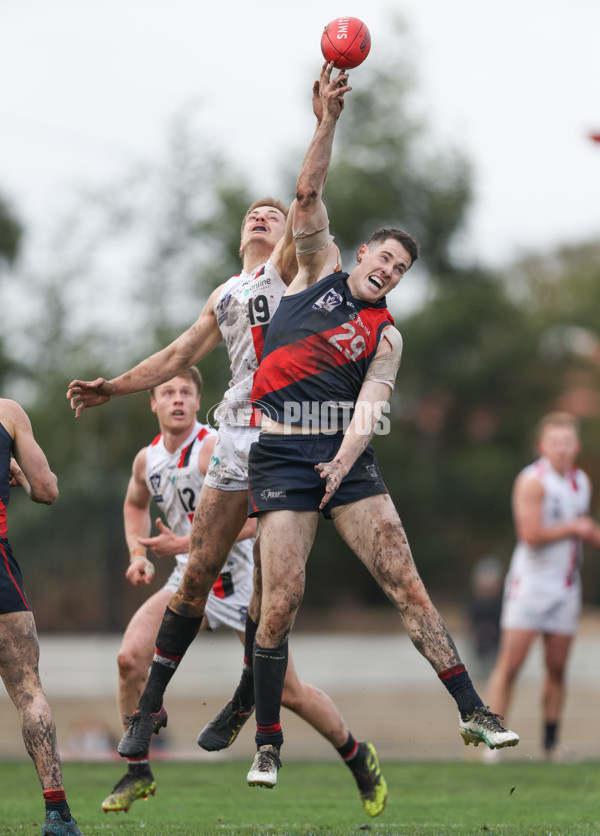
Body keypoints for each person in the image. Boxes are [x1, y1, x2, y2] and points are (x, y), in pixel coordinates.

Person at [68, 67, 389, 817]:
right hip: (243, 430)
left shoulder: (289, 273)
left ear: (287, 238)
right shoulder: (226, 292)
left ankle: (353, 753)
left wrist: (322, 123)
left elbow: (305, 191)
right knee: (186, 586)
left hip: (286, 431)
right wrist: (114, 386)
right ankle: (140, 749)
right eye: (253, 213)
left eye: (272, 215)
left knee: (282, 669)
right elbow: (177, 355)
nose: (262, 217)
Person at [236, 59, 520, 791]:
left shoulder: (386, 335)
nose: (389, 272)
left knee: (407, 581)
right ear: (361, 253)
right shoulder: (314, 269)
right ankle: (268, 743)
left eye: (400, 271)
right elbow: (308, 191)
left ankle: (473, 709)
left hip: (344, 461)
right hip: (280, 457)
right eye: (385, 259)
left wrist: (344, 460)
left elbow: (370, 408)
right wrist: (327, 119)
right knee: (280, 605)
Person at [485, 412, 600, 762]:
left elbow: (582, 530)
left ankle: (549, 745)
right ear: (542, 446)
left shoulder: (581, 481)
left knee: (557, 667)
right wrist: (575, 527)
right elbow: (530, 535)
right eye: (555, 443)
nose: (561, 449)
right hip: (531, 587)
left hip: (566, 588)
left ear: (576, 446)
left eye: (567, 442)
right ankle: (493, 742)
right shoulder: (532, 481)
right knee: (512, 664)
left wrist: (585, 530)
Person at [0, 398, 85, 836]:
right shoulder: (8, 413)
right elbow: (47, 490)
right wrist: (20, 480)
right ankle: (57, 815)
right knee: (28, 689)